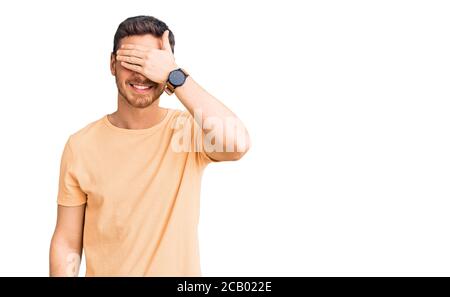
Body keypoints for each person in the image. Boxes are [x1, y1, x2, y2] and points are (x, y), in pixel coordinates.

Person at [49, 15, 250, 276]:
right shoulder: (81, 145)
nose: (141, 73)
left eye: (152, 64)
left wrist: (176, 77)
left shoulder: (187, 133)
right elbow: (66, 242)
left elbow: (238, 143)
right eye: (131, 61)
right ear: (112, 64)